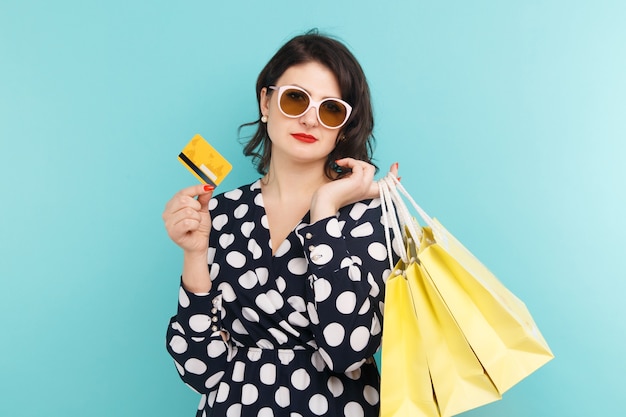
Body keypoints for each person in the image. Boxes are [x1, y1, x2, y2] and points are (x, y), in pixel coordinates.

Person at [162, 32, 399, 417]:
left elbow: (347, 351)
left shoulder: (369, 216)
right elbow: (199, 370)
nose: (309, 118)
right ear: (266, 102)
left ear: (344, 125)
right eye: (295, 98)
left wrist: (325, 210)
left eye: (331, 109)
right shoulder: (221, 214)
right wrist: (193, 255)